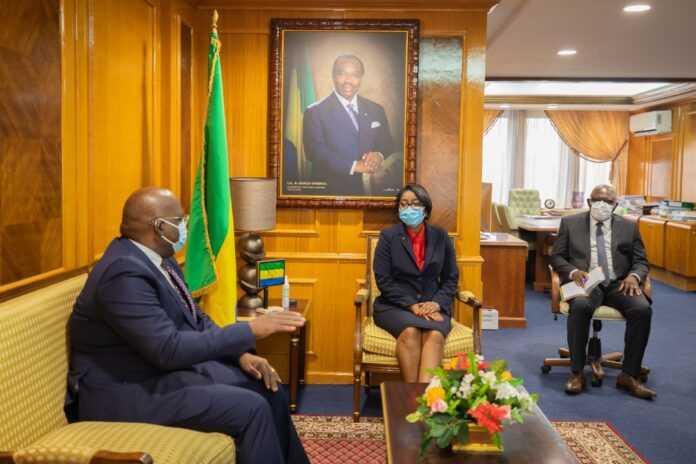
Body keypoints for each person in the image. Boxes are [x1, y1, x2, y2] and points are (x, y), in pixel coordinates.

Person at [67, 187, 310, 464]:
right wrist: (250, 330)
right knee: (251, 408)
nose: (184, 227)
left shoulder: (161, 259)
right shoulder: (123, 273)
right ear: (159, 227)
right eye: (180, 220)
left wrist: (240, 354)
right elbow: (168, 350)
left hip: (157, 375)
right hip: (124, 392)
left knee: (269, 389)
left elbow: (196, 318)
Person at [550, 184, 655, 400]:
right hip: (586, 281)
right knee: (580, 307)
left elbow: (641, 261)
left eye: (608, 201)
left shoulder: (629, 227)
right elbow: (557, 256)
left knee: (642, 310)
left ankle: (629, 375)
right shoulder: (570, 223)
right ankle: (577, 373)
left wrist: (634, 276)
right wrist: (573, 272)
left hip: (619, 283)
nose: (602, 204)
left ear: (615, 205)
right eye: (597, 199)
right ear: (589, 202)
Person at [372, 184, 458, 382]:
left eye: (414, 203)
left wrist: (436, 303)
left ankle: (423, 397)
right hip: (395, 305)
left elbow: (451, 278)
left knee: (434, 335)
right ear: (398, 209)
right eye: (404, 204)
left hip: (432, 304)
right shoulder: (388, 237)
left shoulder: (440, 236)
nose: (409, 208)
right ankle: (410, 395)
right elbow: (383, 279)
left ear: (425, 209)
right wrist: (411, 305)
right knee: (410, 333)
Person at [302, 54, 394, 196]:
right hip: (330, 193)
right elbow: (315, 152)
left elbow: (387, 143)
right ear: (333, 76)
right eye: (342, 74)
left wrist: (379, 155)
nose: (348, 81)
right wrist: (355, 166)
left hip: (370, 191)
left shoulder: (376, 109)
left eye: (355, 75)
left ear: (361, 78)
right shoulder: (314, 111)